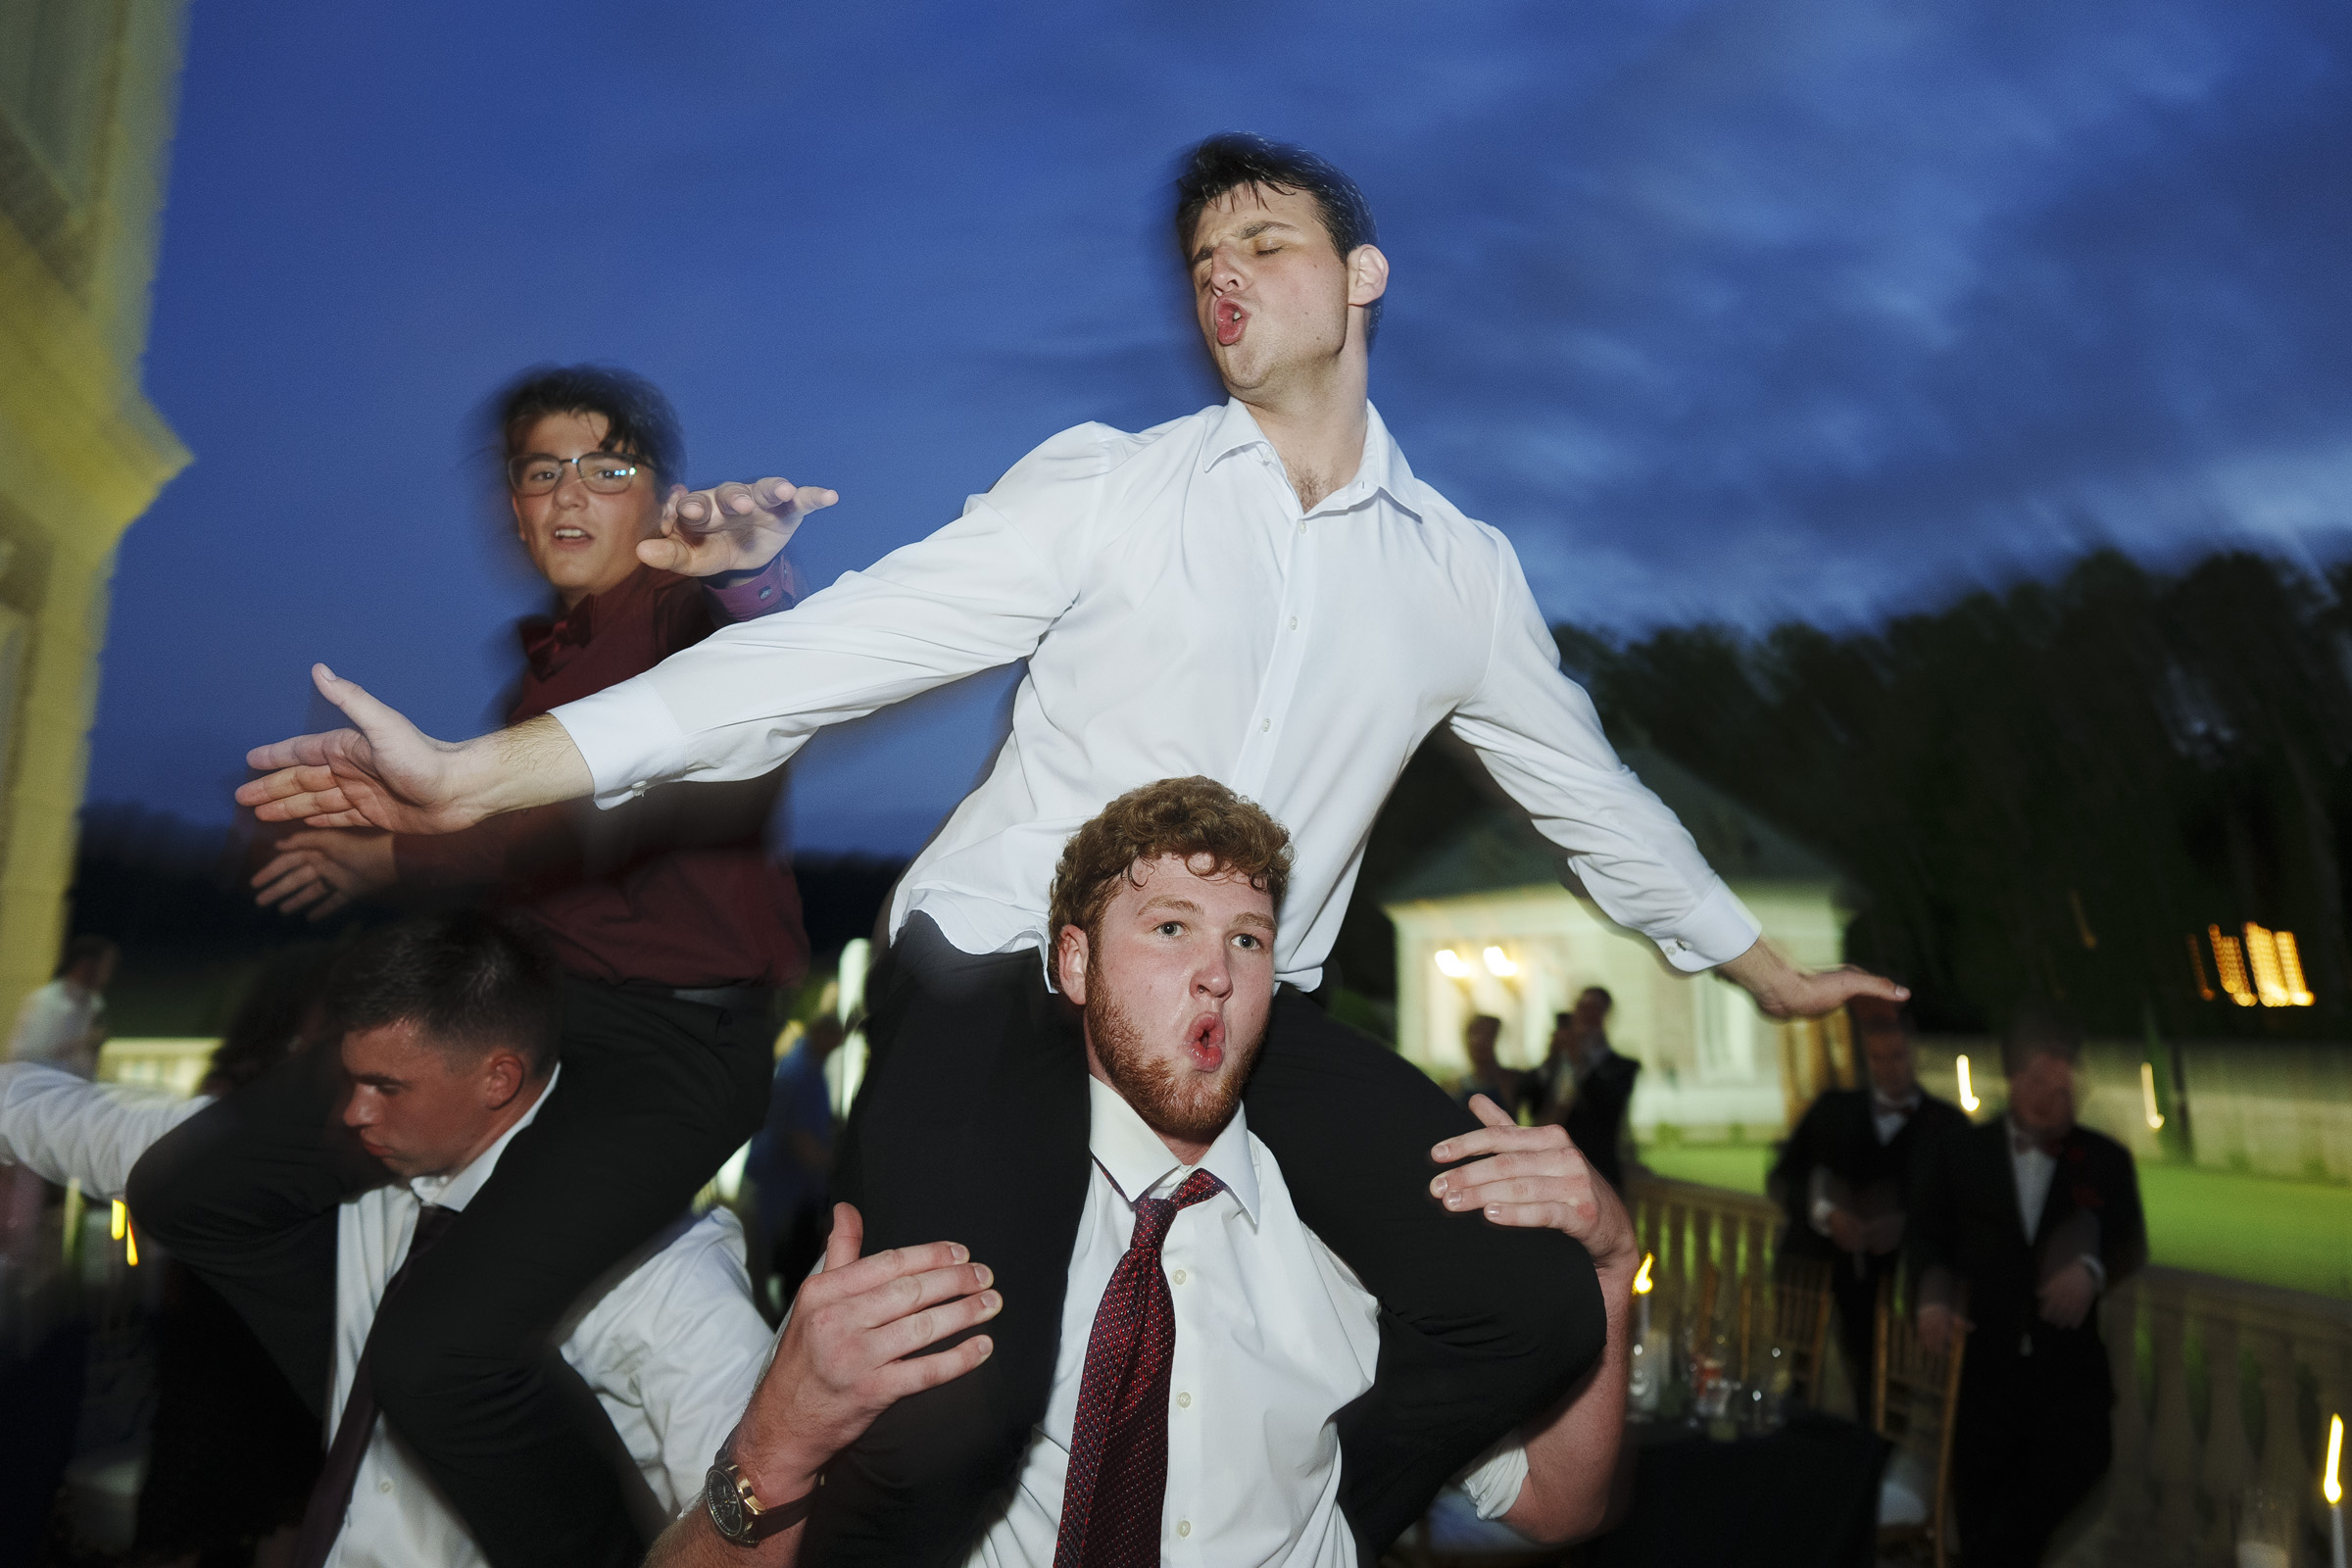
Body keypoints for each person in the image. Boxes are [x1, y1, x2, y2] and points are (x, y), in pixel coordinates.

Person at [232, 135, 1902, 1562]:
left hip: (1244, 1012)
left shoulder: (1456, 575)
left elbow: (1588, 788)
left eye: (1264, 241)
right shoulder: (1110, 491)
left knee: (1530, 1309)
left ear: (1364, 274)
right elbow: (829, 653)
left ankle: (1298, 1517)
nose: (1223, 275)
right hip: (1003, 980)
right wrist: (477, 777)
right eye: (1201, 258)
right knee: (952, 1426)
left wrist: (1751, 961)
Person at [137, 367, 810, 1567]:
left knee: (444, 1353)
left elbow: (764, 666)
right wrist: (384, 859)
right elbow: (532, 852)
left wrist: (746, 573)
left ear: (654, 494)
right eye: (542, 469)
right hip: (536, 1017)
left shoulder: (673, 618)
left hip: (670, 1051)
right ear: (511, 503)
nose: (570, 494)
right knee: (195, 1193)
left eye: (607, 469)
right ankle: (403, 1399)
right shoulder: (542, 671)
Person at [648, 778, 1640, 1564]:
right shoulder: (970, 1227)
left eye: (1246, 939)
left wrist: (1608, 1261)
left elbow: (1561, 1505)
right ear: (1075, 965)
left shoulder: (1356, 1237)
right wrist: (771, 1445)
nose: (1218, 969)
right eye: (1170, 926)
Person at [31, 913, 773, 1568]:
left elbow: (758, 1515)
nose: (352, 1112)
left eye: (386, 1087)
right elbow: (121, 1136)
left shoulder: (670, 1273)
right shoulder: (365, 1184)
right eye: (346, 1080)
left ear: (498, 1078)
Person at [1911, 1002, 2147, 1567]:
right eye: (2037, 1079)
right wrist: (1931, 1299)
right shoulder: (1958, 1154)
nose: (2050, 1094)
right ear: (2013, 1078)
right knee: (1991, 1530)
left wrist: (2089, 1271)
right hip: (1980, 1387)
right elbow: (1926, 1239)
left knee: (2015, 1533)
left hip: (2068, 1394)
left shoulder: (2104, 1161)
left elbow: (2128, 1240)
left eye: (2062, 1080)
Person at [133, 946, 337, 1568]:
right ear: (297, 1013)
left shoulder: (299, 1095)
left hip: (256, 1325)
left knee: (270, 1496)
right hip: (225, 1323)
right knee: (212, 1496)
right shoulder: (243, 1097)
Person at [1768, 995, 1968, 1392]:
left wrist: (1908, 1225)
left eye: (1896, 1056)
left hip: (1903, 1292)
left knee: (1886, 1395)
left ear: (1916, 1053)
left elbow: (1967, 1206)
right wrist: (1827, 1213)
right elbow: (1783, 1177)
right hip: (1818, 1278)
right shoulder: (1833, 1110)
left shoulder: (1948, 1126)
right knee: (1801, 1387)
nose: (1888, 1069)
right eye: (1878, 1058)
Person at [746, 1012, 847, 1303]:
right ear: (820, 1034)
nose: (834, 1049)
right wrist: (841, 1166)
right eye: (833, 1043)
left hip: (789, 1192)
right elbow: (801, 1142)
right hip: (779, 1193)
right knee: (769, 1279)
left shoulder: (811, 1067)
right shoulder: (799, 1070)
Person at [1550, 989, 1640, 1193]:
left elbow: (1608, 1108)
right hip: (1558, 1173)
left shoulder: (1624, 1067)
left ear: (1606, 1015)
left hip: (1602, 1175)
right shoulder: (1557, 1064)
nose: (1587, 1016)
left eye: (1595, 1009)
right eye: (1582, 1008)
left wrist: (1578, 1060)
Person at [8, 933, 118, 1078]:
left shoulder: (95, 1003)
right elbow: (24, 1058)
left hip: (74, 1090)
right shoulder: (47, 1001)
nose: (109, 975)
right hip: (42, 1091)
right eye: (107, 966)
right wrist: (81, 1043)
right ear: (85, 965)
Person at [1451, 1013, 1521, 1111]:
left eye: (1487, 1034)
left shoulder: (1513, 1082)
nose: (1479, 1040)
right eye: (1475, 1033)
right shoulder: (1454, 1087)